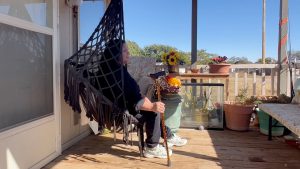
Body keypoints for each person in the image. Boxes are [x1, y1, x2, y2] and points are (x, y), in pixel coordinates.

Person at [98, 39, 187, 159]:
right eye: (125, 51)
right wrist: (151, 106)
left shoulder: (116, 69)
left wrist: (146, 100)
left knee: (155, 107)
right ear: (115, 53)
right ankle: (151, 147)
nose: (128, 53)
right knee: (154, 112)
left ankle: (169, 136)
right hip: (125, 110)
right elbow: (132, 100)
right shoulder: (116, 74)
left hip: (132, 104)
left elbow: (131, 94)